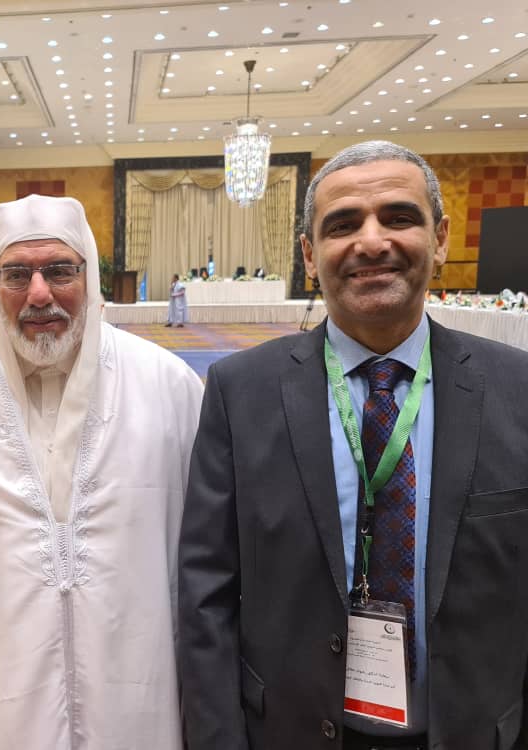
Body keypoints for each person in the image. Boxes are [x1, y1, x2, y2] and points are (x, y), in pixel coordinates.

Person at [178, 140, 528, 750]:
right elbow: (206, 589)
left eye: (399, 217)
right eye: (343, 225)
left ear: (440, 239)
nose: (371, 242)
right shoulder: (240, 391)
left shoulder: (517, 388)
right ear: (309, 256)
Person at [0, 194, 204, 750]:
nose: (39, 294)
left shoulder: (169, 387)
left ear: (90, 276)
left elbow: (210, 556)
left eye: (60, 271)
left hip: (140, 687)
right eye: (17, 275)